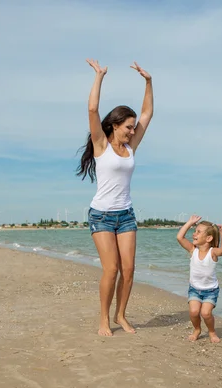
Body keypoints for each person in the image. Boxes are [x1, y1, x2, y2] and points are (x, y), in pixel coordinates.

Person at [77, 58, 153, 336]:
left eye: (134, 128)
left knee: (129, 270)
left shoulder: (131, 147)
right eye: (128, 127)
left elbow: (147, 113)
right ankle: (103, 319)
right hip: (101, 216)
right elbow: (93, 109)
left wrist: (148, 81)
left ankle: (121, 315)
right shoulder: (101, 145)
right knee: (111, 270)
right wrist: (99, 76)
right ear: (115, 125)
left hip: (127, 215)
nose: (133, 131)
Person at [177, 215, 222, 343]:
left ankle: (212, 331)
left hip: (210, 290)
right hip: (194, 289)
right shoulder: (193, 250)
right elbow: (179, 237)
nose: (194, 234)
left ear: (209, 238)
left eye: (198, 232)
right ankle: (197, 329)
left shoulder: (213, 252)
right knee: (193, 312)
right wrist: (189, 223)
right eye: (194, 231)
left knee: (206, 313)